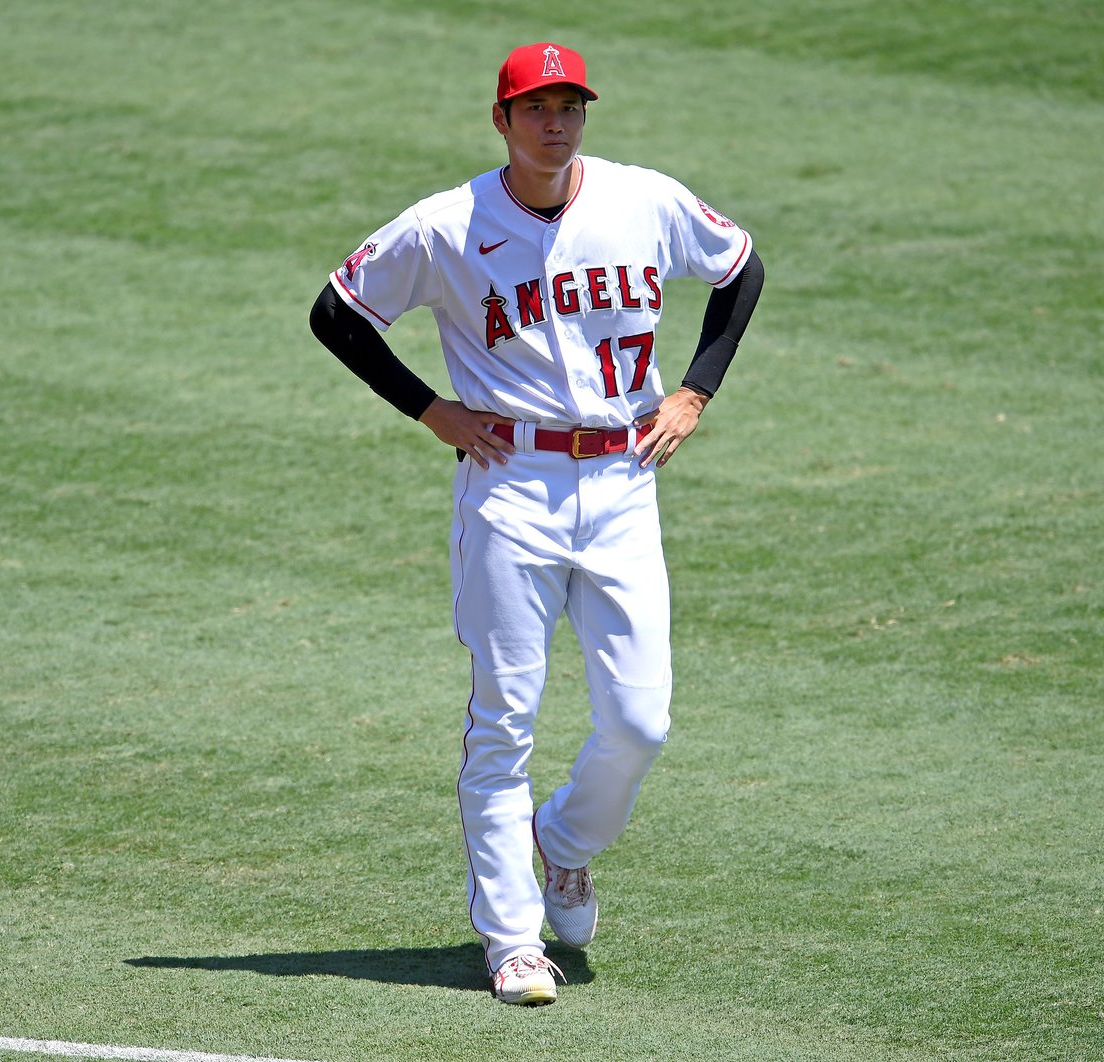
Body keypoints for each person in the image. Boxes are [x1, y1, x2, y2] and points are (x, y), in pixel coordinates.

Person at [309, 41, 763, 1006]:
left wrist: (693, 392)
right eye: (536, 108)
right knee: (502, 727)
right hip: (510, 489)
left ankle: (561, 844)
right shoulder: (446, 225)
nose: (556, 124)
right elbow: (338, 312)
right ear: (502, 120)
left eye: (571, 106)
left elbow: (741, 269)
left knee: (641, 721)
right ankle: (513, 942)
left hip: (625, 480)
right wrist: (430, 410)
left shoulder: (643, 200)